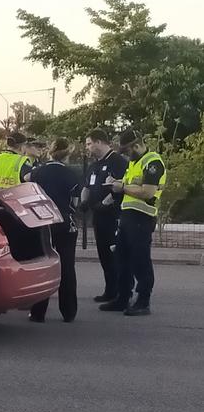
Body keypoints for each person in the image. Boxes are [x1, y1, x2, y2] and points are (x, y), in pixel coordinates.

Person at [100, 129, 166, 316]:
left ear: (136, 145)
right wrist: (116, 182)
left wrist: (122, 187)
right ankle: (123, 298)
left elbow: (147, 192)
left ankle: (143, 301)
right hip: (128, 217)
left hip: (142, 217)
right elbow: (130, 185)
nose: (126, 155)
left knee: (140, 260)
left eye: (127, 150)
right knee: (121, 258)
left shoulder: (152, 162)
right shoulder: (135, 162)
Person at [27, 138, 80, 323]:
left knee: (43, 265)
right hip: (66, 224)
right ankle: (69, 311)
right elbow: (76, 201)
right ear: (68, 153)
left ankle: (38, 312)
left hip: (43, 223)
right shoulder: (72, 174)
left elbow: (26, 180)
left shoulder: (39, 171)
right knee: (67, 267)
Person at [80, 128, 129, 303]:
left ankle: (120, 291)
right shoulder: (94, 165)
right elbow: (86, 186)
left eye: (89, 143)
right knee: (103, 254)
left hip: (113, 216)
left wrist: (105, 204)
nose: (87, 147)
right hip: (98, 217)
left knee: (114, 253)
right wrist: (83, 202)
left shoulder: (118, 162)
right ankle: (110, 290)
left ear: (99, 142)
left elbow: (117, 187)